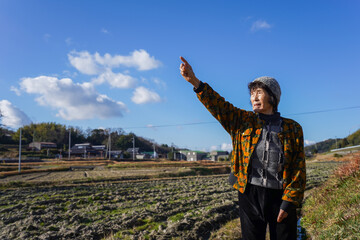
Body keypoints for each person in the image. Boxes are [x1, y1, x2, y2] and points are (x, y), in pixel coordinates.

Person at [179, 56, 306, 240]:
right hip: (249, 193)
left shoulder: (292, 128)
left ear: (273, 96)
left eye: (259, 92)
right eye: (252, 93)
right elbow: (217, 105)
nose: (254, 97)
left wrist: (289, 202)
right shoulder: (242, 121)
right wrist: (195, 82)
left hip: (280, 194)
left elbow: (298, 168)